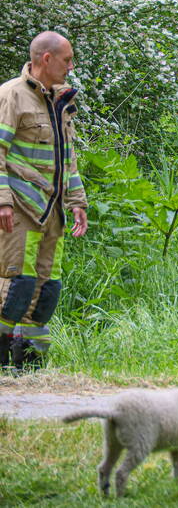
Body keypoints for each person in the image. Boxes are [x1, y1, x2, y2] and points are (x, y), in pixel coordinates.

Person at [0, 31, 88, 373]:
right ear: (46, 59)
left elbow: (68, 157)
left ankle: (32, 365)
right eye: (67, 59)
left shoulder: (59, 100)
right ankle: (4, 364)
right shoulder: (11, 95)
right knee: (14, 286)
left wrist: (77, 200)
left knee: (47, 287)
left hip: (52, 210)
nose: (71, 66)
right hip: (18, 206)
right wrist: (3, 201)